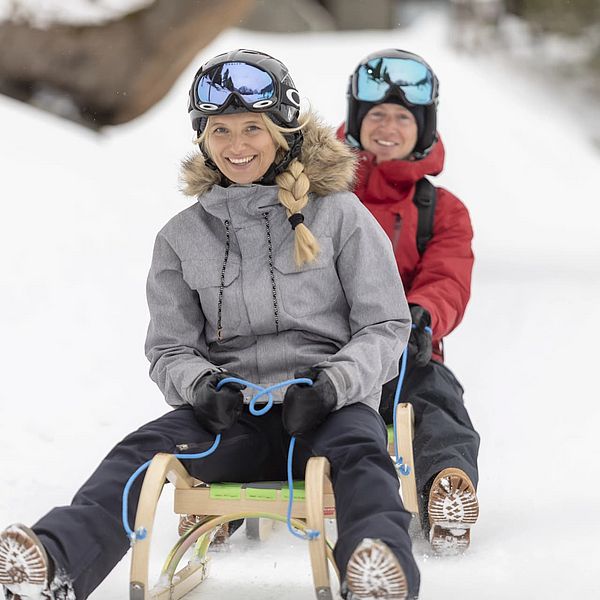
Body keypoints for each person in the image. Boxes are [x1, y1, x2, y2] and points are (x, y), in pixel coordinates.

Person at [0, 49, 421, 600]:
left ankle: (376, 568)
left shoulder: (339, 215)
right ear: (203, 138)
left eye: (252, 127)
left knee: (364, 457)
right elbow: (169, 348)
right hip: (231, 418)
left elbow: (386, 325)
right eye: (219, 130)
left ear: (282, 131)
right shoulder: (181, 238)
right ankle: (57, 563)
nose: (237, 145)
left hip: (326, 407)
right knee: (141, 451)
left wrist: (333, 385)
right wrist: (201, 388)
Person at [338, 48, 481, 555]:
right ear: (356, 122)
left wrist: (422, 316)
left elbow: (448, 275)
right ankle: (220, 493)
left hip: (405, 351)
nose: (388, 126)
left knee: (436, 402)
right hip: (325, 348)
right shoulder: (317, 193)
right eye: (376, 114)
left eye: (403, 117)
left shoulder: (440, 210)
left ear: (423, 128)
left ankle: (446, 484)